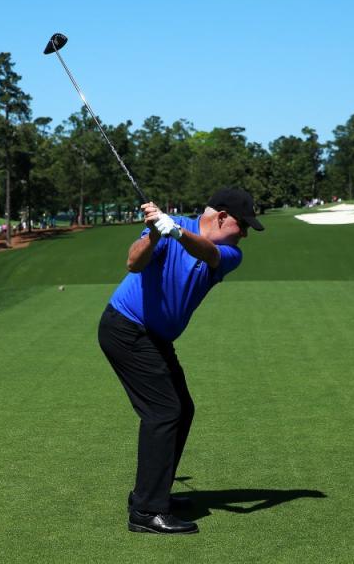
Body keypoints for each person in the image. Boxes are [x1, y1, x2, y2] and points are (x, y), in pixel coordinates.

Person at [98, 188, 263, 535]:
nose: (245, 234)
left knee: (182, 409)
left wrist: (175, 230)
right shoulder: (167, 227)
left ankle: (152, 493)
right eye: (242, 225)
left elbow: (210, 253)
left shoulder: (230, 253)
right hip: (127, 328)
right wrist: (157, 232)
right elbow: (133, 262)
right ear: (221, 216)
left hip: (156, 338)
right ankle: (146, 511)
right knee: (163, 412)